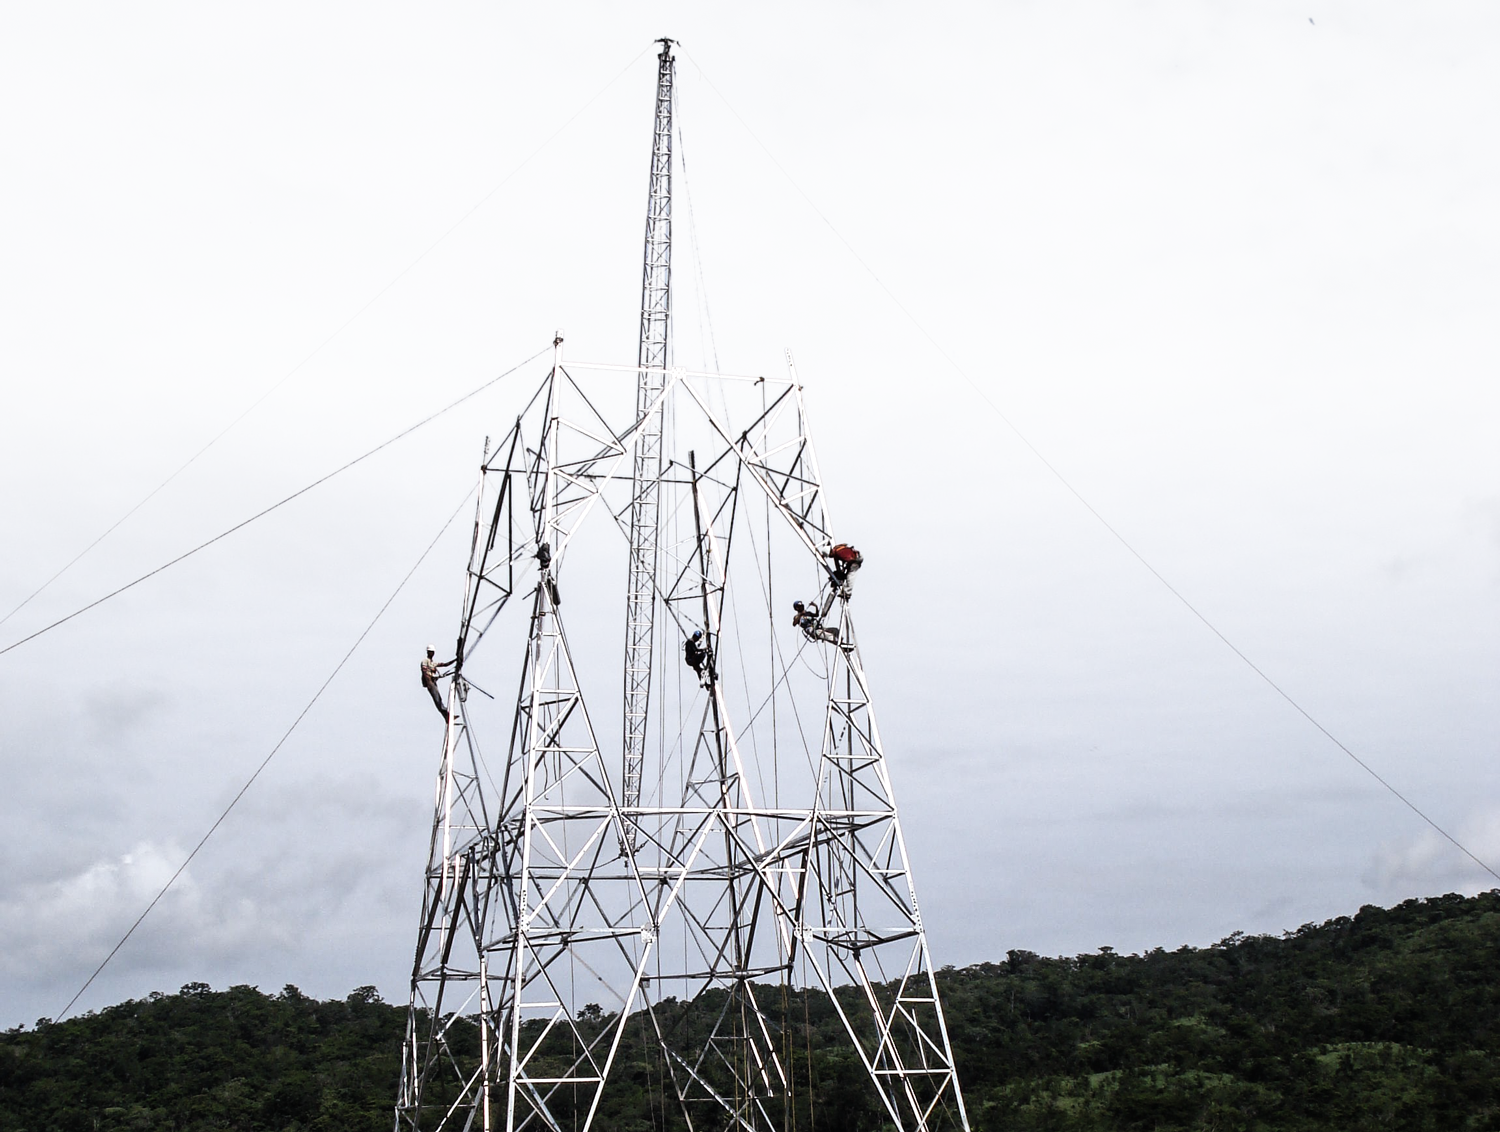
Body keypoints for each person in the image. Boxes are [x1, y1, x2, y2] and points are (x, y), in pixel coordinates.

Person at [420, 644, 455, 720]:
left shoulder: (433, 663)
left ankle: (447, 716)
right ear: (428, 652)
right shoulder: (425, 661)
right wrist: (429, 683)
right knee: (437, 700)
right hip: (430, 682)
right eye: (430, 652)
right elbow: (425, 672)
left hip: (433, 682)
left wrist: (455, 660)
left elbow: (445, 664)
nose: (432, 653)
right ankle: (447, 716)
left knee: (439, 699)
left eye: (433, 652)